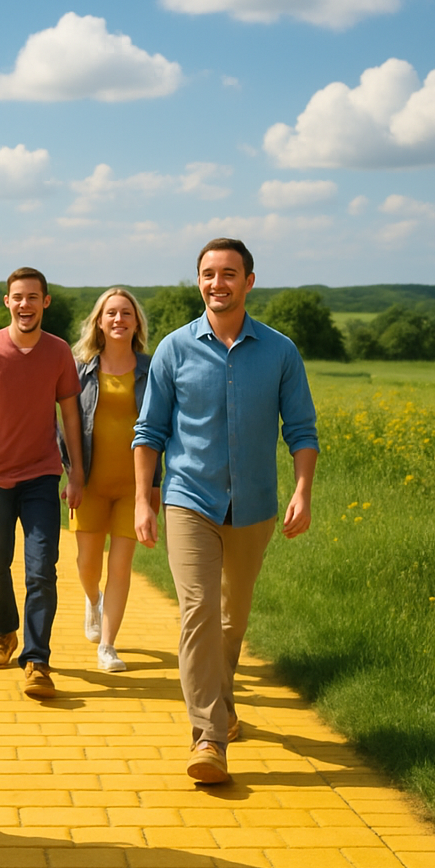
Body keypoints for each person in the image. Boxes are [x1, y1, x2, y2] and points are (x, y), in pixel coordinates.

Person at [133, 239, 318, 785]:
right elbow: (150, 431)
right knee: (198, 611)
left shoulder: (280, 352)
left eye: (229, 274)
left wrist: (302, 490)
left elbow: (302, 430)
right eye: (209, 274)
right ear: (199, 282)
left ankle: (222, 697)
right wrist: (146, 497)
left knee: (232, 616)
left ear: (249, 282)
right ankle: (208, 736)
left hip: (255, 504)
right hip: (189, 498)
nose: (219, 283)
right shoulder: (173, 349)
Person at [0, 267, 84, 699]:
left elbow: (71, 415)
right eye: (17, 297)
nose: (25, 304)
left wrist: (77, 473)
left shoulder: (59, 352)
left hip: (42, 476)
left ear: (45, 301)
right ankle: (4, 632)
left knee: (41, 568)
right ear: (6, 302)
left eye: (33, 297)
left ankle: (37, 659)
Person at [67, 288, 160, 671]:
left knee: (121, 566)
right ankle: (93, 600)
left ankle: (108, 646)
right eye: (111, 313)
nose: (119, 319)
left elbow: (163, 428)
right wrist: (70, 472)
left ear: (136, 321)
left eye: (126, 313)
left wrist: (153, 489)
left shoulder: (152, 369)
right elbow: (66, 426)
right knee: (88, 563)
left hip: (134, 490)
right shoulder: (79, 368)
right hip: (89, 484)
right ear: (99, 322)